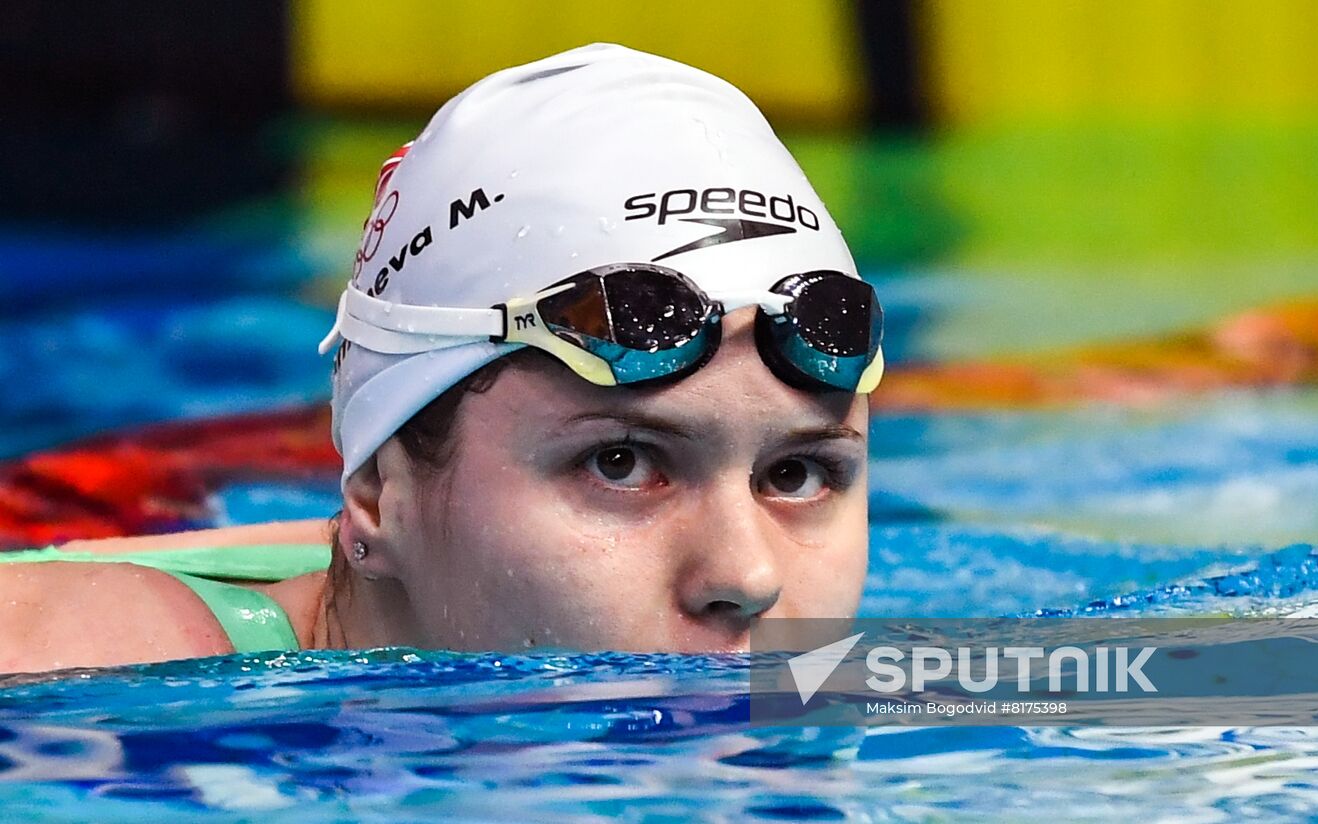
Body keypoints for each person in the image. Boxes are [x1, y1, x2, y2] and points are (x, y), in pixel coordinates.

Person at [0, 44, 883, 673]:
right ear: (380, 494)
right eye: (621, 462)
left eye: (801, 473)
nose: (747, 579)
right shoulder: (88, 668)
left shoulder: (836, 683)